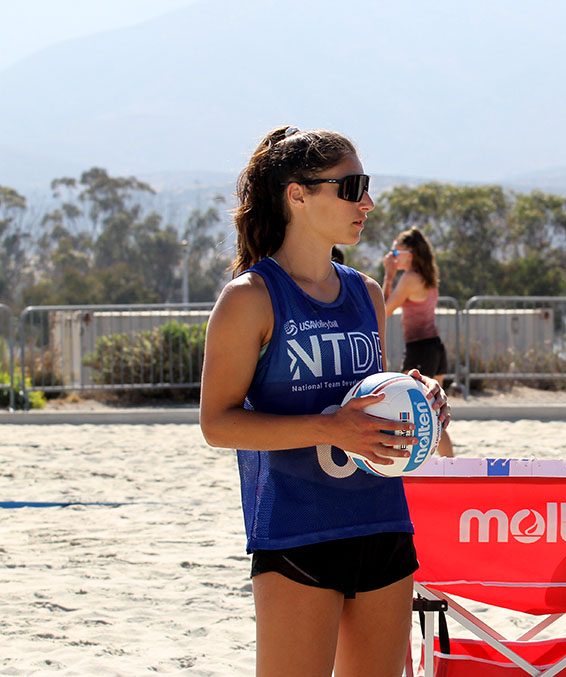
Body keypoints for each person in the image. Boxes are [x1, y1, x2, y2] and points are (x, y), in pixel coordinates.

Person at [199, 125, 450, 677]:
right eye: (351, 186)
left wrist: (419, 404)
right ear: (298, 194)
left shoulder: (366, 291)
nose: (367, 202)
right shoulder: (251, 297)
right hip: (297, 531)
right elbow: (217, 424)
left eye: (367, 186)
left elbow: (370, 405)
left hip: (383, 521)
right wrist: (328, 428)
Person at [382, 227, 454, 457]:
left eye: (396, 252)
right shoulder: (428, 275)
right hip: (435, 347)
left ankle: (415, 464)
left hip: (420, 349)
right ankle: (450, 466)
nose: (392, 256)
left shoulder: (410, 278)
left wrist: (389, 276)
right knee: (436, 418)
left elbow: (383, 311)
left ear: (410, 253)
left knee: (411, 411)